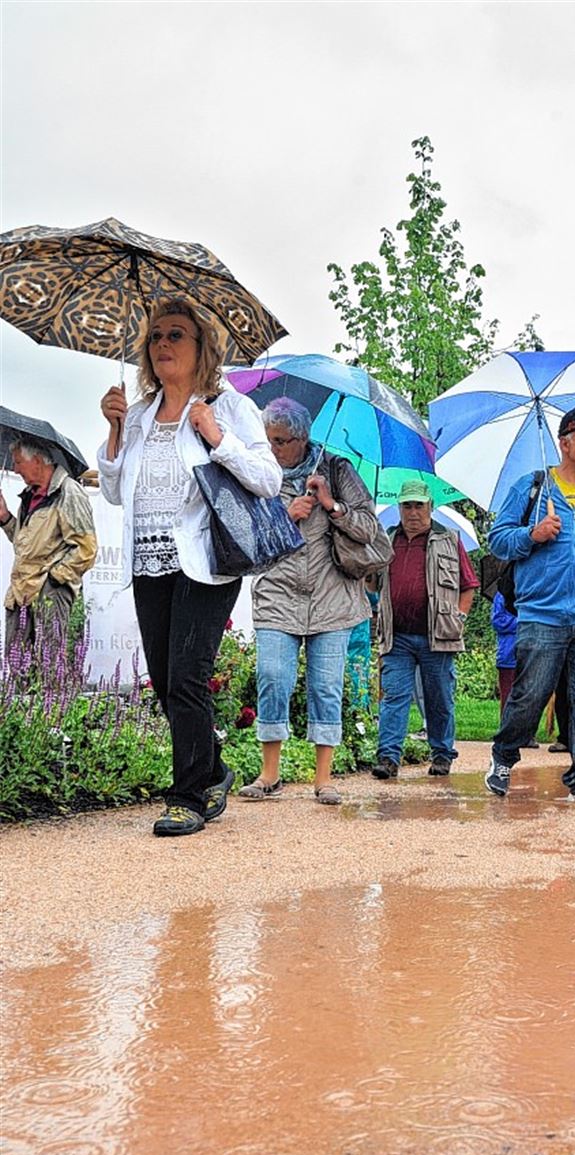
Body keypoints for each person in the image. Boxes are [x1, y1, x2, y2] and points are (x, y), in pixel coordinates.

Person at [97, 297, 282, 837]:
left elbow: (269, 480)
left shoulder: (226, 407)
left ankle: (188, 797)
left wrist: (216, 437)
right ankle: (214, 770)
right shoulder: (135, 417)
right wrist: (112, 431)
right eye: (155, 337)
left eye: (175, 335)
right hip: (147, 561)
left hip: (204, 560)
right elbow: (112, 492)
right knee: (164, 682)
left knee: (187, 676)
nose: (162, 345)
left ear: (202, 348)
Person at [238, 397, 378, 806]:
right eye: (268, 440)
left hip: (331, 595)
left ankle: (323, 780)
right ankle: (269, 775)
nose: (273, 448)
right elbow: (242, 533)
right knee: (272, 678)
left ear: (302, 439)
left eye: (281, 441)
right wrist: (287, 515)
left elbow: (368, 527)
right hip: (278, 591)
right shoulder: (258, 470)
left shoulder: (337, 469)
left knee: (326, 686)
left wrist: (332, 505)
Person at [485, 406, 575, 804]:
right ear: (565, 443)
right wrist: (534, 534)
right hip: (541, 614)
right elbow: (497, 540)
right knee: (530, 694)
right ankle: (502, 756)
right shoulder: (532, 487)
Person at [372, 478, 478, 779]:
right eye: (407, 505)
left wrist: (458, 619)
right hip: (398, 637)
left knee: (439, 698)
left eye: (419, 505)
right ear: (399, 508)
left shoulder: (449, 540)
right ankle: (388, 758)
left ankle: (442, 754)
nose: (413, 512)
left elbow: (468, 587)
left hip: (439, 636)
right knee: (394, 697)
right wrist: (369, 563)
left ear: (430, 507)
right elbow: (372, 584)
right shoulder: (387, 540)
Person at [1, 441, 97, 652]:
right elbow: (23, 544)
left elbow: (86, 549)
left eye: (18, 462)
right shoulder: (29, 496)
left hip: (49, 595)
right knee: (17, 672)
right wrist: (5, 518)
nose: (15, 469)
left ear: (36, 461)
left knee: (50, 671)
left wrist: (53, 581)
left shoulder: (68, 492)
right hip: (20, 595)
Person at [490, 588, 539, 746]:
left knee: (530, 694)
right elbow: (498, 621)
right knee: (508, 695)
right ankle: (508, 733)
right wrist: (522, 620)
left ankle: (527, 734)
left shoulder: (532, 592)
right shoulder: (501, 595)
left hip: (530, 651)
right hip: (508, 653)